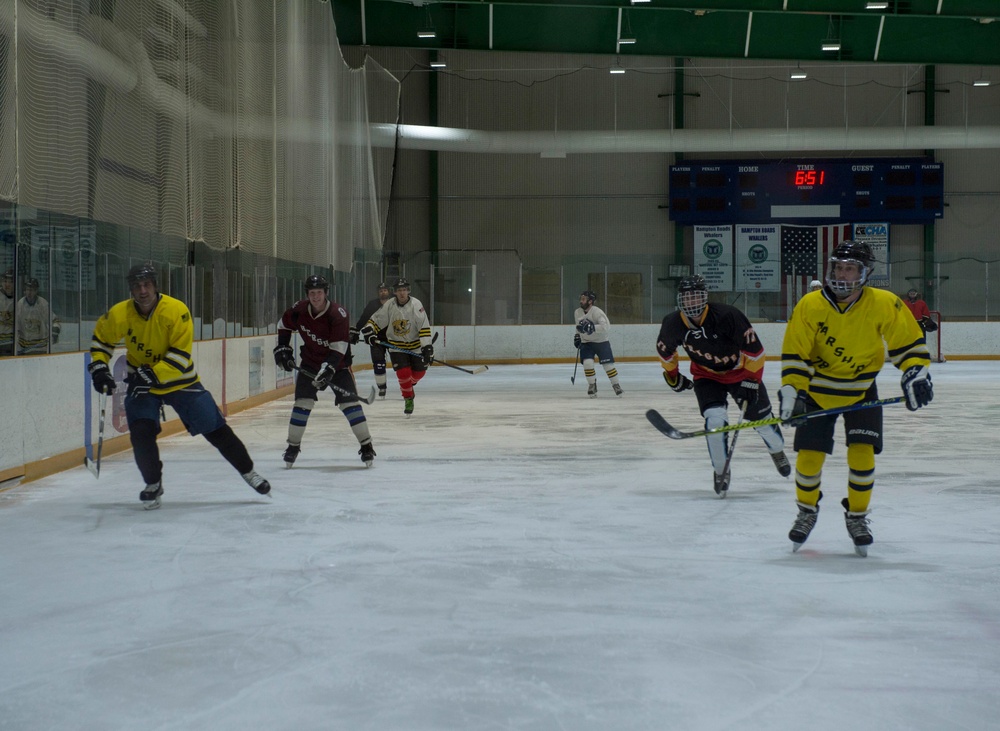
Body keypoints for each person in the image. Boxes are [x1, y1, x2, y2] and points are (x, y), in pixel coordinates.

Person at [779, 241, 933, 556]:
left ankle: (857, 517)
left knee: (862, 458)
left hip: (862, 392)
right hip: (819, 393)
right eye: (838, 267)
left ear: (865, 273)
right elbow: (796, 354)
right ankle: (807, 511)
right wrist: (792, 391)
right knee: (809, 460)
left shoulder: (883, 303)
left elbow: (907, 343)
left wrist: (915, 373)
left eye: (850, 268)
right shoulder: (810, 305)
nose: (843, 274)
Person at [88, 263, 270, 509]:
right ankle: (153, 484)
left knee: (216, 430)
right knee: (141, 434)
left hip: (181, 381)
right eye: (137, 286)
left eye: (147, 285)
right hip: (143, 384)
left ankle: (249, 472)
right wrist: (99, 368)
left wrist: (149, 374)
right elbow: (101, 342)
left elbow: (179, 357)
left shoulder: (176, 310)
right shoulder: (120, 313)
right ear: (131, 289)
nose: (142, 291)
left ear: (155, 285)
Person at [657, 275, 790, 496]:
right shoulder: (672, 323)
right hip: (706, 377)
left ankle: (776, 451)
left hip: (741, 374)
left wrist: (751, 381)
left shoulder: (728, 315)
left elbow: (755, 352)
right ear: (680, 299)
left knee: (763, 424)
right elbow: (665, 351)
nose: (691, 302)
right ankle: (721, 470)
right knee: (715, 422)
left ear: (704, 297)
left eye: (695, 296)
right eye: (686, 297)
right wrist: (673, 376)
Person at [274, 274, 375, 468]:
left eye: (319, 292)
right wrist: (283, 348)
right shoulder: (299, 310)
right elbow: (283, 325)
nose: (315, 296)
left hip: (338, 366)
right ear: (307, 294)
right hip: (310, 363)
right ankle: (293, 447)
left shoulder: (338, 314)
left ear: (326, 293)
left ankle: (366, 445)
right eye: (312, 293)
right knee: (302, 403)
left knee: (350, 404)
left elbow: (338, 348)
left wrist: (328, 370)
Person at [360, 277, 433, 416]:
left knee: (419, 373)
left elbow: (423, 327)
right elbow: (377, 319)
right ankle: (408, 399)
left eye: (404, 290)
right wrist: (370, 330)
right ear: (395, 292)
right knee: (403, 374)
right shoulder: (389, 305)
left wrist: (427, 347)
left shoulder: (416, 304)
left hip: (415, 346)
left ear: (408, 291)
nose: (402, 293)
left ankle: (409, 385)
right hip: (396, 346)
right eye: (399, 290)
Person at [573, 290, 623, 398]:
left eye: (583, 299)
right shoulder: (577, 312)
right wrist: (577, 336)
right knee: (587, 364)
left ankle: (616, 384)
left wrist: (592, 327)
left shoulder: (597, 312)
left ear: (590, 301)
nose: (581, 301)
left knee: (608, 365)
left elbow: (606, 327)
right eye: (581, 299)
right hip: (586, 343)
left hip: (601, 342)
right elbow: (578, 327)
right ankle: (592, 385)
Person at [349, 281, 392, 399]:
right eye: (381, 291)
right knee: (378, 363)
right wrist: (356, 331)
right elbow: (364, 318)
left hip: (393, 338)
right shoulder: (372, 304)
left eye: (385, 290)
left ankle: (407, 384)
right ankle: (382, 387)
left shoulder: (394, 303)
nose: (383, 292)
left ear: (389, 291)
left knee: (401, 363)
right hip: (375, 338)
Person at [15, 278, 60, 354]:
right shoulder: (20, 304)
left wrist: (55, 331)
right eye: (28, 290)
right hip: (24, 347)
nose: (29, 292)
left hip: (40, 348)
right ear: (25, 290)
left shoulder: (43, 304)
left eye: (32, 290)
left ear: (36, 291)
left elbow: (54, 320)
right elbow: (17, 325)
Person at [0, 269, 14, 356]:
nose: (7, 284)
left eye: (11, 282)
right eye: (5, 281)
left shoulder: (20, 300)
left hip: (11, 343)